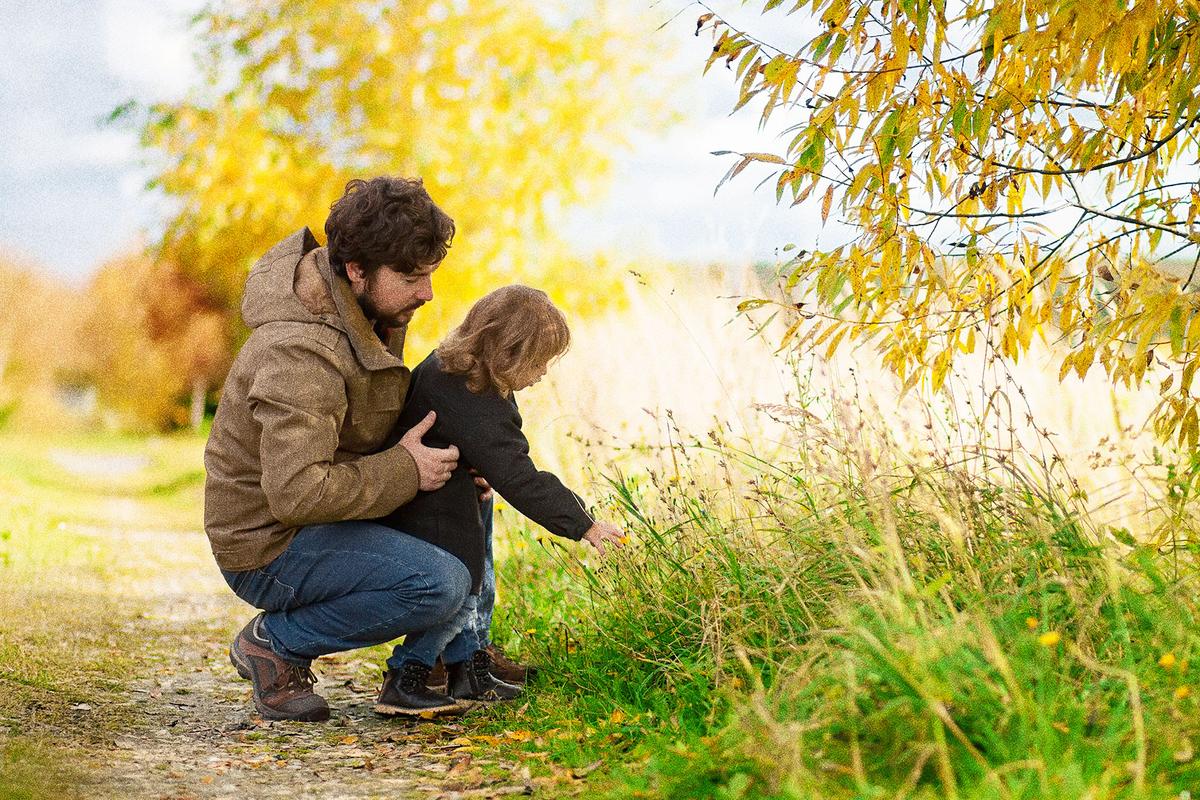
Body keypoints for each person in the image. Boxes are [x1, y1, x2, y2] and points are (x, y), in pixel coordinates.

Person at [204, 176, 471, 722]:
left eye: (429, 275)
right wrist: (405, 470)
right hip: (269, 546)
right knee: (437, 583)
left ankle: (451, 655)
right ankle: (274, 643)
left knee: (466, 495)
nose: (427, 293)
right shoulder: (300, 351)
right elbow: (297, 494)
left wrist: (460, 463)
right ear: (356, 270)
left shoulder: (365, 310)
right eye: (411, 277)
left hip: (319, 518)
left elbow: (359, 427)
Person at [372, 285, 626, 714]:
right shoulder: (469, 393)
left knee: (474, 580)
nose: (544, 372)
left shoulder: (456, 372)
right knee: (460, 593)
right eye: (539, 360)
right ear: (508, 351)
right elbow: (518, 475)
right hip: (432, 510)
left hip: (450, 500)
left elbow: (488, 453)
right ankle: (406, 675)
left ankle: (467, 671)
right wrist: (584, 523)